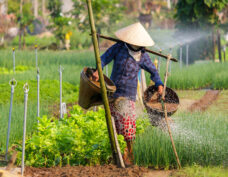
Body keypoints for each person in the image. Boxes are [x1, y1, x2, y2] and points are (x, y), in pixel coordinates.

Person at [92, 22, 163, 165]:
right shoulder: (119, 48)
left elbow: (153, 71)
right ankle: (118, 154)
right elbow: (104, 58)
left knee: (128, 126)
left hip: (128, 96)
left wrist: (159, 84)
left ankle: (130, 153)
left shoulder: (143, 56)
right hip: (113, 93)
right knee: (115, 125)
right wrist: (96, 71)